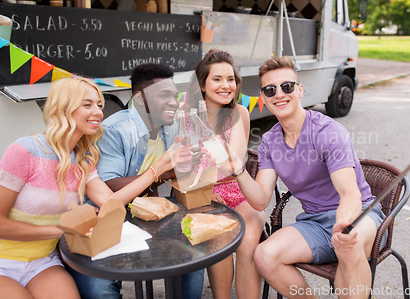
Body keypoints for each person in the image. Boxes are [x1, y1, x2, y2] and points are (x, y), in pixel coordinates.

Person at [221, 56, 388, 299]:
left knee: (348, 248)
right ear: (264, 97)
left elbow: (349, 193)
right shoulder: (269, 142)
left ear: (300, 90)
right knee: (264, 255)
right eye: (270, 89)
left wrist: (343, 226)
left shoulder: (328, 132)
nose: (279, 94)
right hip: (315, 223)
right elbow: (259, 200)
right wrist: (238, 170)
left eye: (287, 86)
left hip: (360, 214)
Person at [0, 77, 174, 299]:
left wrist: (159, 168)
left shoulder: (83, 161)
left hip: (42, 263)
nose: (98, 112)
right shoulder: (26, 150)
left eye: (99, 105)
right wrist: (60, 232)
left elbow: (111, 201)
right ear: (63, 108)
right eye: (87, 104)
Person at [67, 63, 204, 299]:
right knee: (100, 289)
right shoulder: (114, 130)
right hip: (104, 218)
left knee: (192, 259)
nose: (174, 102)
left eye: (175, 95)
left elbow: (174, 170)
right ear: (140, 98)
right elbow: (110, 186)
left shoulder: (170, 126)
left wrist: (187, 163)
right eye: (164, 95)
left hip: (149, 215)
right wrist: (161, 171)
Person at [182, 50, 266, 299]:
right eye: (217, 79)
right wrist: (203, 192)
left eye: (230, 79)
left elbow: (232, 161)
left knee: (249, 239)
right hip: (200, 195)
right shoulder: (185, 117)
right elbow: (181, 170)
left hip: (238, 191)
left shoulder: (239, 112)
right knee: (217, 236)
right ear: (202, 84)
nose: (226, 85)